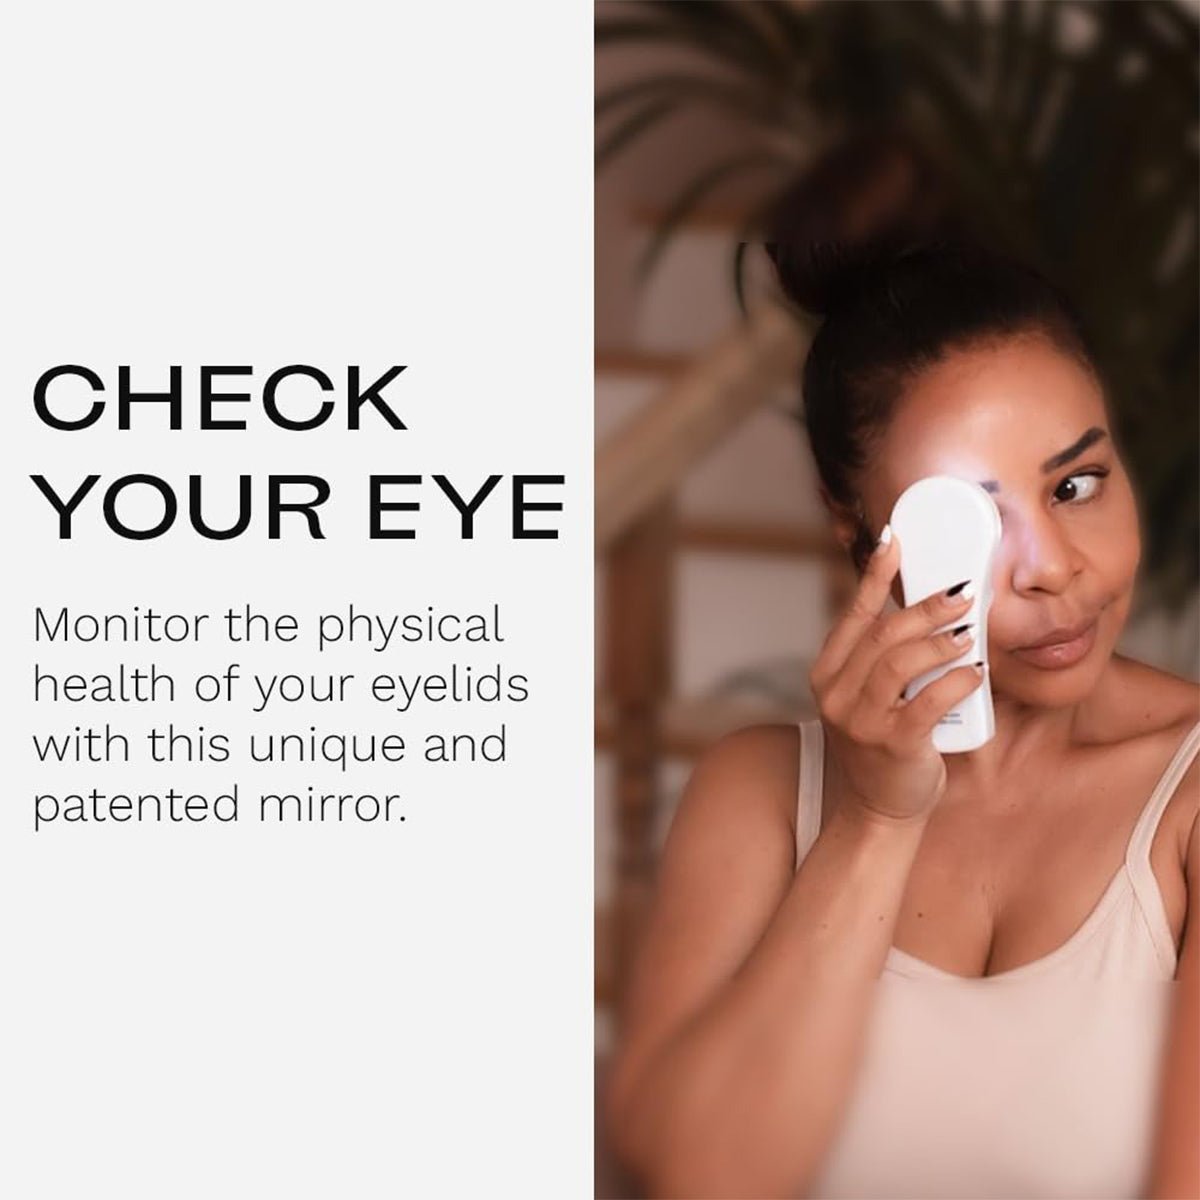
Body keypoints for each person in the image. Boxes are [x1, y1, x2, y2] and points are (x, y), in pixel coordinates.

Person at [603, 131, 1199, 1199]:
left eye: (1077, 484)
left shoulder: (1188, 797)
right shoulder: (757, 795)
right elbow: (696, 1175)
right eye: (971, 521)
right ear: (860, 535)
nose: (1054, 571)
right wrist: (876, 821)